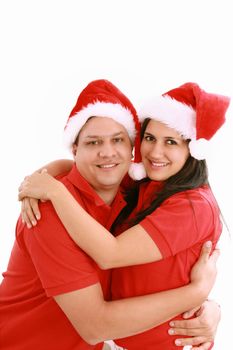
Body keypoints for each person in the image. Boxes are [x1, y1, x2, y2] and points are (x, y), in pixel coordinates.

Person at [0, 79, 219, 350]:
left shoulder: (133, 193)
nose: (107, 152)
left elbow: (163, 268)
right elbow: (96, 326)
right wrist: (195, 292)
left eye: (118, 140)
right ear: (75, 149)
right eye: (93, 143)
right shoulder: (49, 212)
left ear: (131, 151)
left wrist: (209, 305)